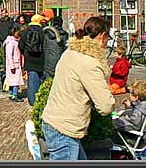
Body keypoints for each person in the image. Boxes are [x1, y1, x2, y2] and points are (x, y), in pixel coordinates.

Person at [41, 17, 115, 161]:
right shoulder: (90, 63)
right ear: (102, 37)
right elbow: (105, 106)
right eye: (107, 39)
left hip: (54, 122)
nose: (107, 44)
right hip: (64, 129)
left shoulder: (70, 52)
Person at [19, 14, 46, 106]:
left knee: (32, 82)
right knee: (41, 81)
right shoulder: (43, 32)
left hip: (30, 60)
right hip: (41, 60)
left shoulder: (24, 32)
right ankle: (41, 100)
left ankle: (32, 101)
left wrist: (26, 53)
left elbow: (21, 46)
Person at [3, 27, 24, 102]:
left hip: (14, 63)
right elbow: (9, 55)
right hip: (14, 64)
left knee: (12, 80)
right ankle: (14, 95)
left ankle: (11, 94)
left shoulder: (13, 41)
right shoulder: (11, 42)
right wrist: (12, 66)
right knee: (15, 81)